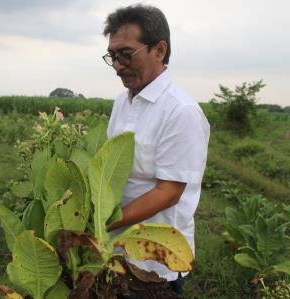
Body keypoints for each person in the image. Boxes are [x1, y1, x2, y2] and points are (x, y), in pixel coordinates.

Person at [103, 4, 210, 295]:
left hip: (157, 263)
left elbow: (169, 192)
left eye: (126, 54)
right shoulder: (121, 103)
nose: (117, 65)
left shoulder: (180, 111)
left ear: (159, 50)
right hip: (115, 251)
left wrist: (100, 222)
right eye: (112, 56)